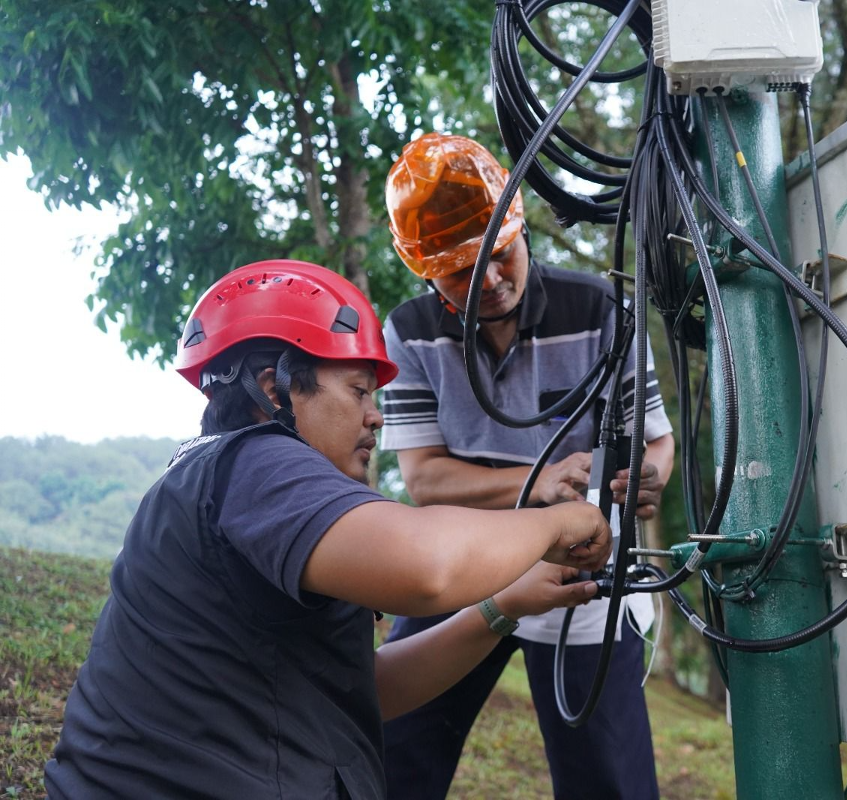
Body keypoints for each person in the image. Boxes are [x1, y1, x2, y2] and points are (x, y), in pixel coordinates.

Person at [44, 260, 612, 800]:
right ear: (273, 391)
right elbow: (428, 567)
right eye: (359, 390)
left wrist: (501, 606)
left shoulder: (232, 484)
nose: (376, 415)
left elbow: (365, 688)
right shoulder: (257, 461)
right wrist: (555, 520)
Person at [379, 133, 675, 799]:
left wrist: (646, 478)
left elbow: (657, 442)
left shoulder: (602, 310)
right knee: (393, 755)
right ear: (425, 271)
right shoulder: (410, 331)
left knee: (607, 781)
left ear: (521, 230)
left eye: (499, 254)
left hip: (582, 567)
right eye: (459, 269)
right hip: (464, 563)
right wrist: (537, 481)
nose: (487, 279)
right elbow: (424, 477)